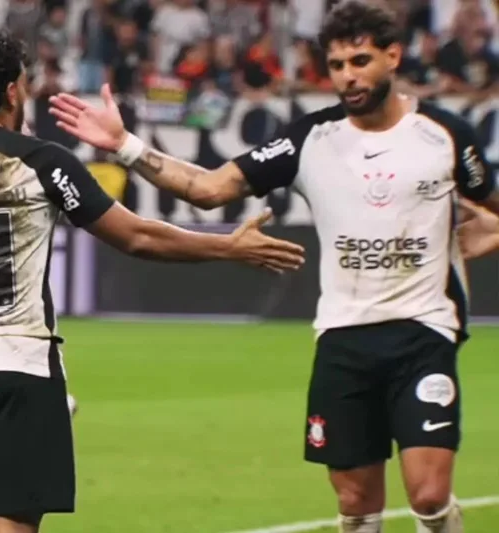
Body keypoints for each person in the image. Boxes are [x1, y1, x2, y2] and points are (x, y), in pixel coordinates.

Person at [0, 29, 305, 533]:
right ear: (11, 91)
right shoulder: (41, 161)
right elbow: (137, 237)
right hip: (19, 368)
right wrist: (226, 246)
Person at [48, 2, 499, 532]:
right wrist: (124, 145)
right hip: (344, 336)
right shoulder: (312, 139)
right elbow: (208, 188)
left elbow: (491, 206)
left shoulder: (444, 135)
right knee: (356, 501)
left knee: (428, 493)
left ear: (393, 57)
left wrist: (476, 237)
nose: (348, 77)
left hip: (424, 331)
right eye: (337, 65)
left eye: (360, 61)